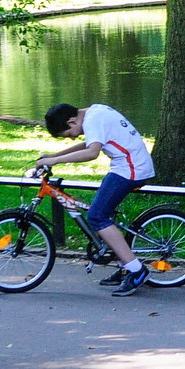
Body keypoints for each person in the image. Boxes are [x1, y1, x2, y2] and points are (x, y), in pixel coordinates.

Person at [29, 102, 157, 297]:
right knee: (103, 214)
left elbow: (92, 152)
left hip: (131, 169)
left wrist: (54, 161)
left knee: (97, 216)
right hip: (127, 166)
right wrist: (53, 155)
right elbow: (89, 143)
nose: (72, 137)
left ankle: (137, 271)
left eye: (69, 134)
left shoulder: (94, 119)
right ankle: (125, 266)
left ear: (71, 121)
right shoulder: (94, 112)